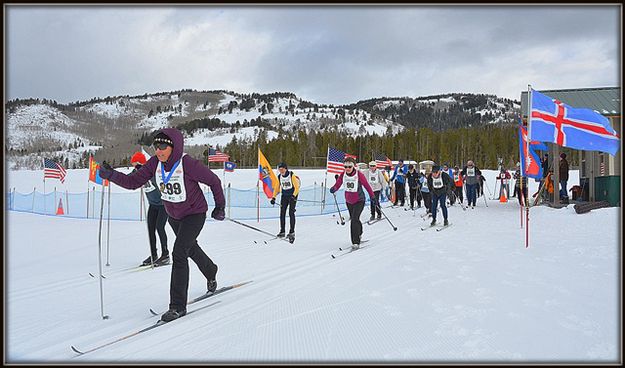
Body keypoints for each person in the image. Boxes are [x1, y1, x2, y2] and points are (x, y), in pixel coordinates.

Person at [98, 128, 225, 322]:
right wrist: (111, 175)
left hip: (194, 214)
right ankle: (211, 270)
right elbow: (133, 182)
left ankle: (177, 306)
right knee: (190, 249)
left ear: (173, 147)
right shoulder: (155, 163)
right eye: (156, 147)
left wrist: (219, 207)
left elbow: (214, 181)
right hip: (174, 216)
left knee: (179, 253)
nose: (159, 151)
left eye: (163, 146)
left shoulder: (188, 164)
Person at [131, 151, 170, 266]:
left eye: (135, 163)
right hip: (153, 205)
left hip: (163, 204)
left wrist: (142, 171)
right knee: (150, 229)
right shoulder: (136, 171)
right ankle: (154, 255)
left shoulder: (151, 170)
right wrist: (111, 174)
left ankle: (165, 255)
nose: (133, 166)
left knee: (160, 227)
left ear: (140, 162)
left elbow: (156, 177)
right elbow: (128, 178)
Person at [329, 157, 376, 249]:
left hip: (359, 200)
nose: (347, 168)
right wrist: (334, 188)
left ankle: (355, 242)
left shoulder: (359, 175)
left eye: (349, 166)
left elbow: (367, 185)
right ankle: (360, 232)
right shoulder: (343, 174)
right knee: (355, 219)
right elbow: (338, 184)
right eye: (345, 166)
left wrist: (372, 196)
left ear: (353, 166)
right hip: (349, 201)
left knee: (354, 220)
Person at [271, 163, 300, 242]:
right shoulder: (280, 177)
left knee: (291, 212)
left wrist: (293, 196)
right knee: (282, 213)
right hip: (284, 195)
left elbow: (297, 188)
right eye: (279, 169)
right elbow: (277, 188)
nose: (281, 171)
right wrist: (273, 197)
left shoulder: (291, 175)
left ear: (286, 169)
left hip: (292, 195)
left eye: (282, 169)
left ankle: (292, 232)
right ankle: (282, 231)